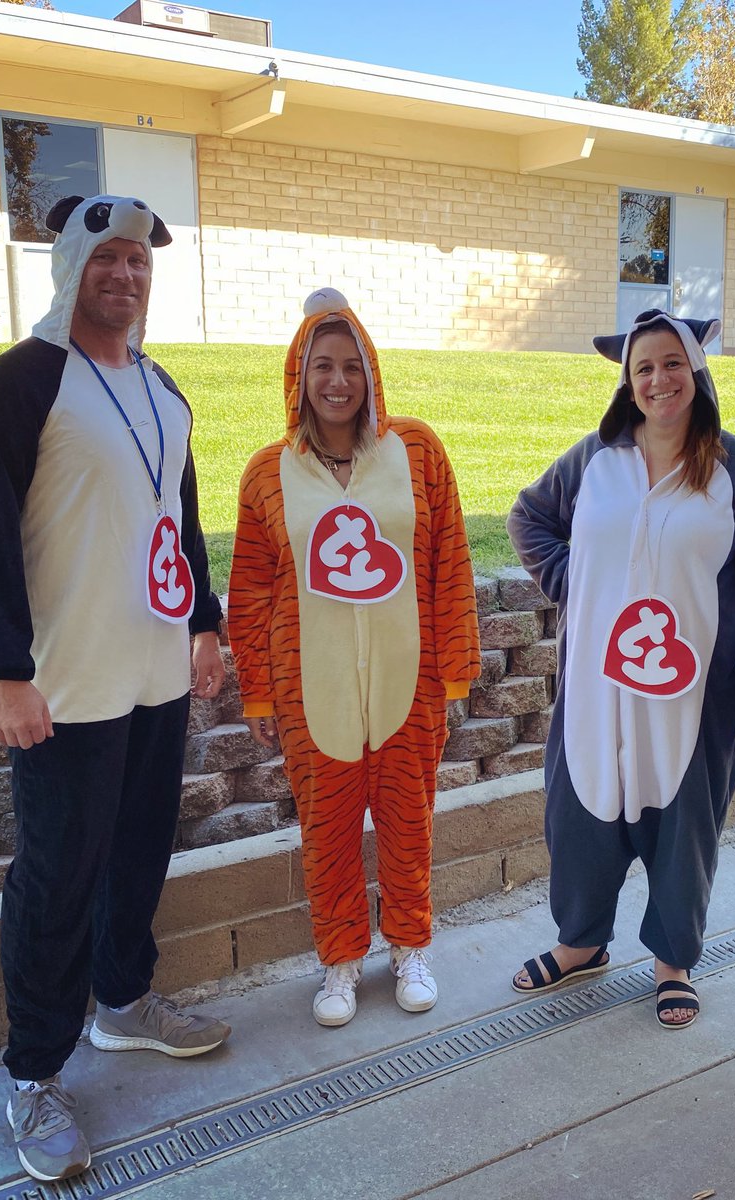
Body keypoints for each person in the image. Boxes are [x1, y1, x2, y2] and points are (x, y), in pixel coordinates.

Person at [0, 194, 230, 1183]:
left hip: (154, 669)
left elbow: (181, 516)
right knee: (57, 872)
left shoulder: (164, 390)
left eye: (140, 263)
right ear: (74, 267)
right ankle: (32, 1072)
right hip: (64, 681)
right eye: (108, 259)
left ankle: (123, 1004)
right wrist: (4, 671)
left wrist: (204, 621)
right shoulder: (21, 384)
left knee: (141, 847)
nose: (127, 275)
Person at [507, 309, 735, 1029]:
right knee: (579, 809)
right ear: (628, 381)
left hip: (697, 693)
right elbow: (528, 517)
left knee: (685, 822)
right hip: (596, 686)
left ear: (697, 372)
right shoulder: (594, 460)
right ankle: (580, 942)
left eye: (672, 365)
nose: (659, 380)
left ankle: (672, 961)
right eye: (644, 368)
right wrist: (574, 580)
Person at [228, 288, 479, 1029]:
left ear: (371, 372)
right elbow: (249, 588)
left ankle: (409, 946)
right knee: (327, 829)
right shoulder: (267, 473)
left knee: (409, 821)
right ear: (298, 377)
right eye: (321, 367)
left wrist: (457, 668)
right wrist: (260, 696)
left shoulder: (420, 452)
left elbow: (451, 561)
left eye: (351, 366)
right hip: (312, 682)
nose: (337, 382)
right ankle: (339, 958)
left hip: (410, 675)